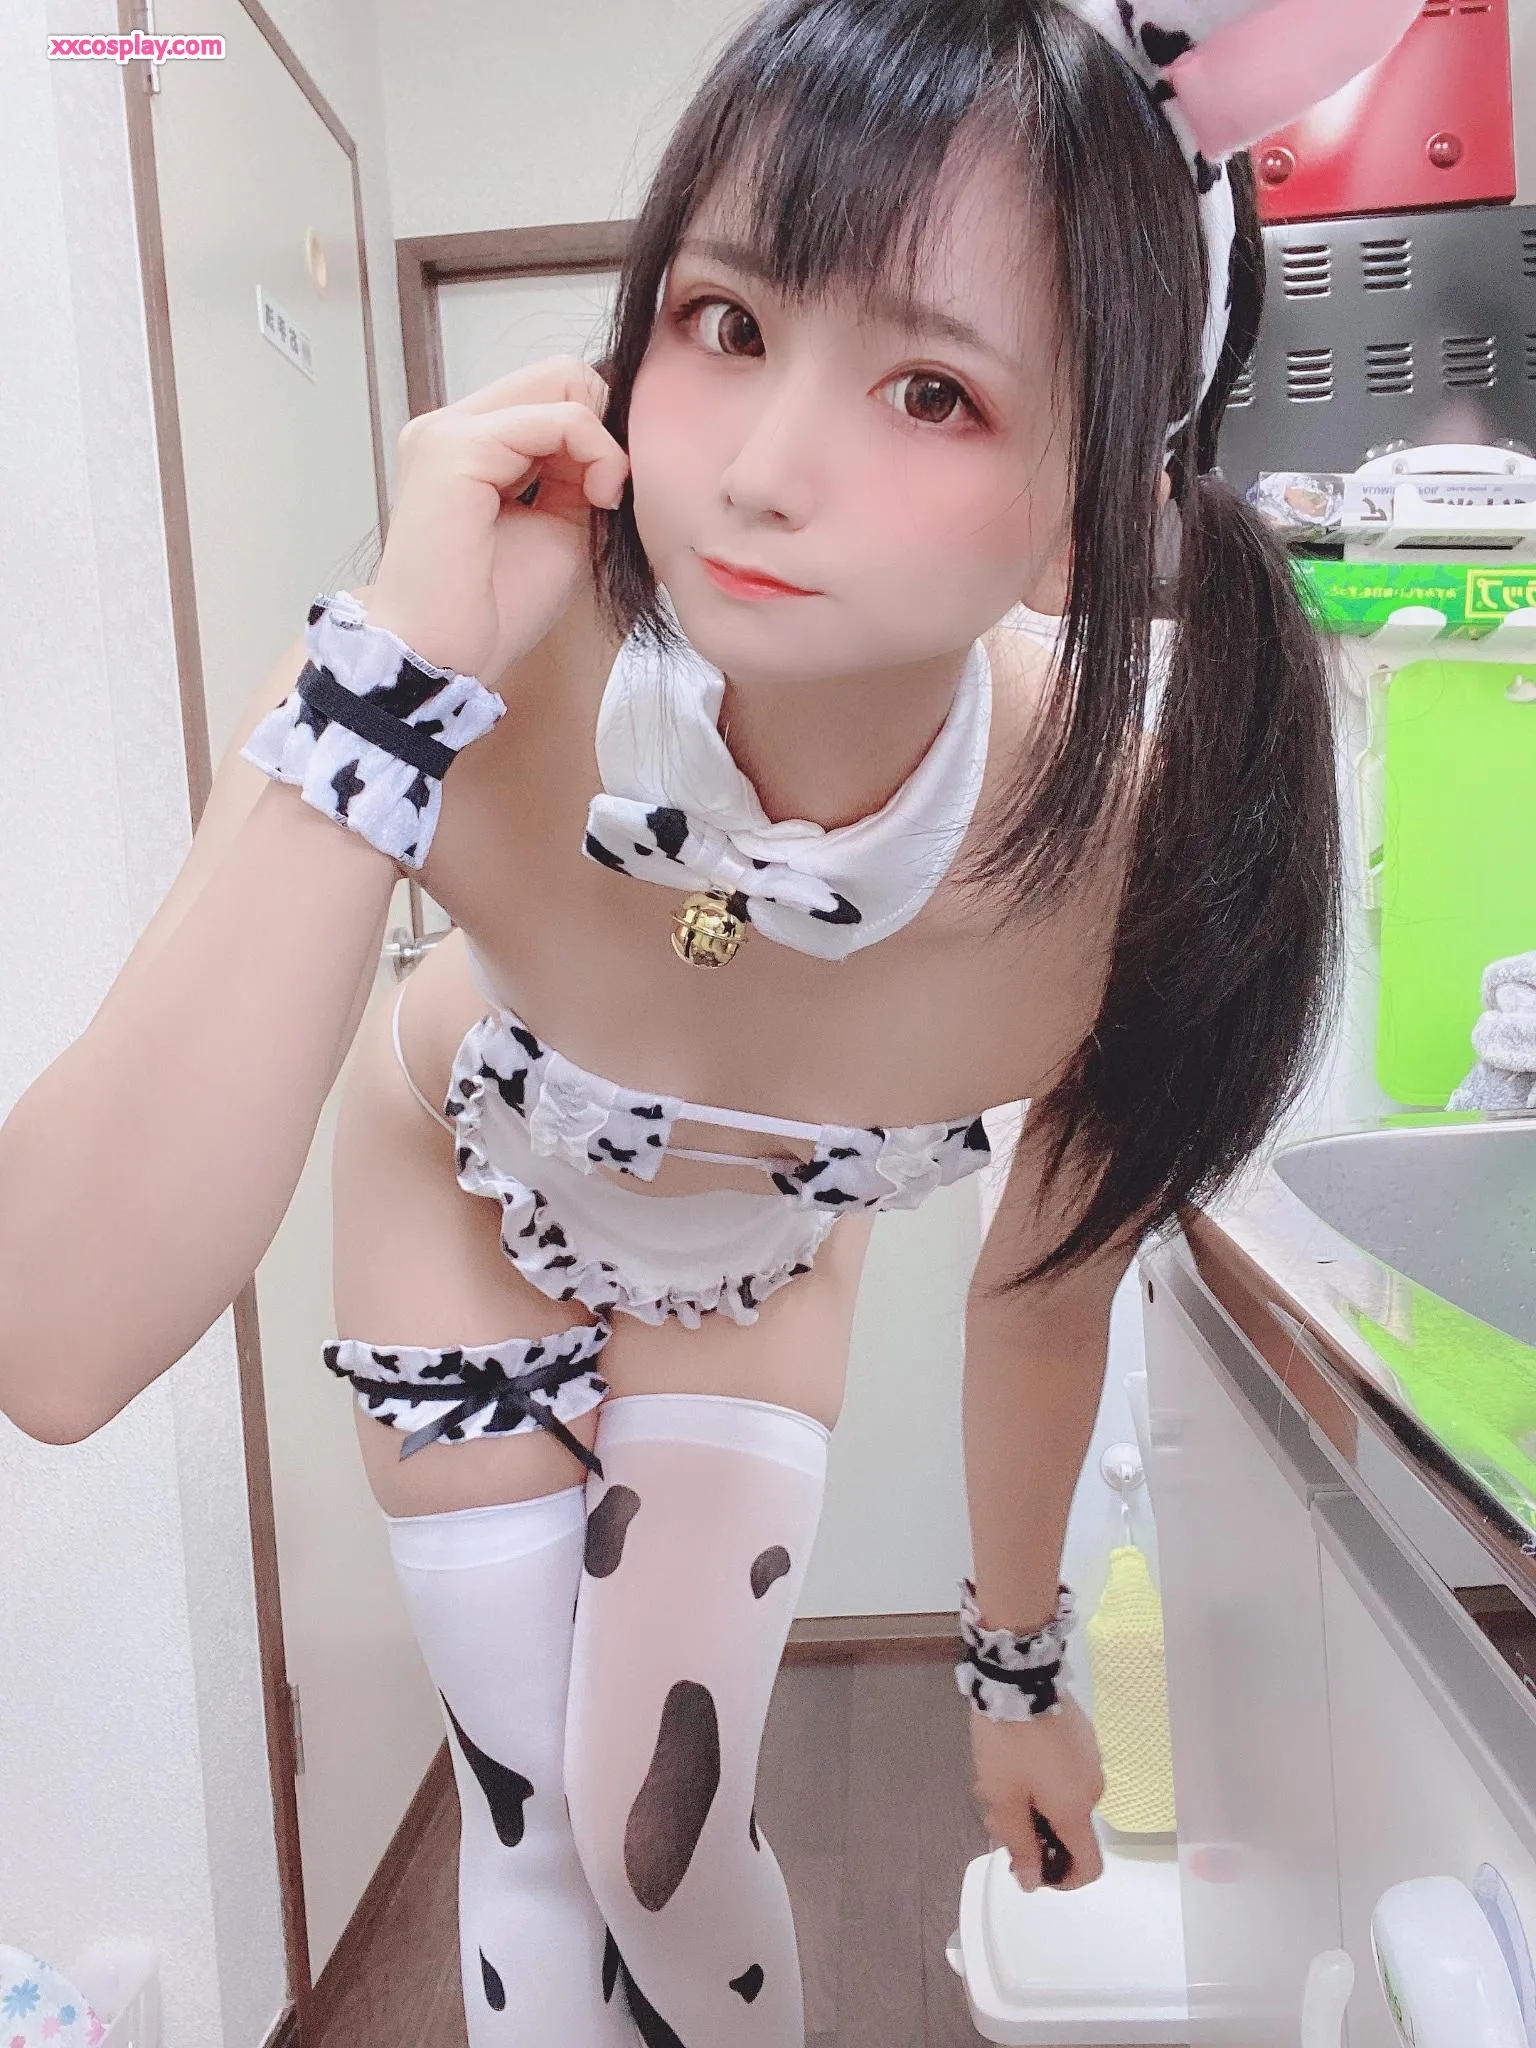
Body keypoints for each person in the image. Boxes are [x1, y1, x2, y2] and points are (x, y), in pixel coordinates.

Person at [0, 0, 1421, 2041]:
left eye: (932, 390)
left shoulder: (1130, 860)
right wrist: (377, 686)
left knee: (655, 1832)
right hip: (458, 1186)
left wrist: (1015, 1673)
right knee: (531, 1832)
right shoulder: (475, 666)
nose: (757, 472)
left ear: (1093, 500)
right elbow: (53, 1343)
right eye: (726, 321)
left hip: (752, 1255)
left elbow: (1043, 1298)